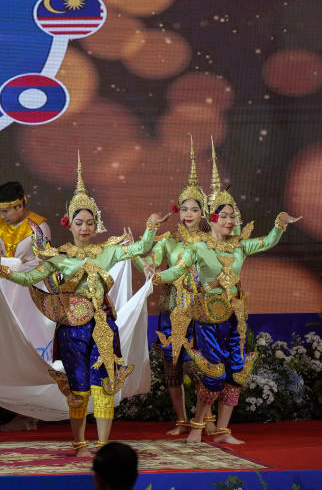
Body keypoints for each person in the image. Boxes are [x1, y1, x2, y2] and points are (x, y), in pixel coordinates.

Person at [0, 153, 169, 457]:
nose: (85, 227)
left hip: (102, 325)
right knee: (79, 389)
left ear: (96, 223)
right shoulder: (58, 256)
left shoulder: (109, 251)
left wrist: (151, 226)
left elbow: (140, 248)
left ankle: (102, 444)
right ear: (69, 224)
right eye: (79, 222)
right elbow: (31, 278)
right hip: (72, 330)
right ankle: (78, 442)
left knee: (105, 385)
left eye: (90, 222)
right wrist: (4, 271)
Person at [147, 140, 301, 445]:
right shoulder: (198, 247)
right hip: (207, 318)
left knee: (236, 373)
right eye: (226, 215)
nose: (231, 220)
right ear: (213, 217)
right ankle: (196, 427)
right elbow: (177, 272)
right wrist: (157, 275)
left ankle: (222, 430)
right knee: (214, 374)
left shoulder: (239, 245)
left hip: (235, 317)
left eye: (234, 215)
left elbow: (267, 242)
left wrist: (280, 225)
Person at [134, 137, 208, 435]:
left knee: (201, 367)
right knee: (173, 367)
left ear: (204, 213)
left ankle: (205, 418)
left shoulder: (210, 243)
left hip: (201, 313)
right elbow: (146, 264)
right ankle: (181, 419)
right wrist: (147, 235)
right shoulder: (169, 242)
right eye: (184, 209)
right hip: (171, 309)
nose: (188, 214)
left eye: (194, 209)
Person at [0, 180, 52, 431]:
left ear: (20, 205)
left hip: (31, 294)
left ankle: (33, 413)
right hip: (8, 294)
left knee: (30, 349)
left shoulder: (39, 226)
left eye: (6, 211)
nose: (2, 216)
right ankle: (23, 412)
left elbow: (40, 263)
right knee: (9, 352)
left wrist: (9, 263)